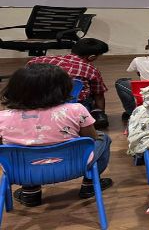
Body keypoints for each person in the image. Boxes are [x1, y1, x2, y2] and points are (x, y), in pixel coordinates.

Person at [0, 64, 112, 207]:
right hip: (73, 167)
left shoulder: (2, 117)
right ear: (63, 88)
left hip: (22, 171)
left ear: (14, 89)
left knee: (18, 150)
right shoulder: (76, 110)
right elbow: (92, 138)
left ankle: (30, 192)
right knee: (103, 138)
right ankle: (90, 184)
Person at [27, 38, 110, 129]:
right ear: (92, 57)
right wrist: (100, 114)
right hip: (71, 106)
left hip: (36, 101)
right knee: (90, 95)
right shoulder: (91, 70)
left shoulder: (36, 61)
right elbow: (99, 95)